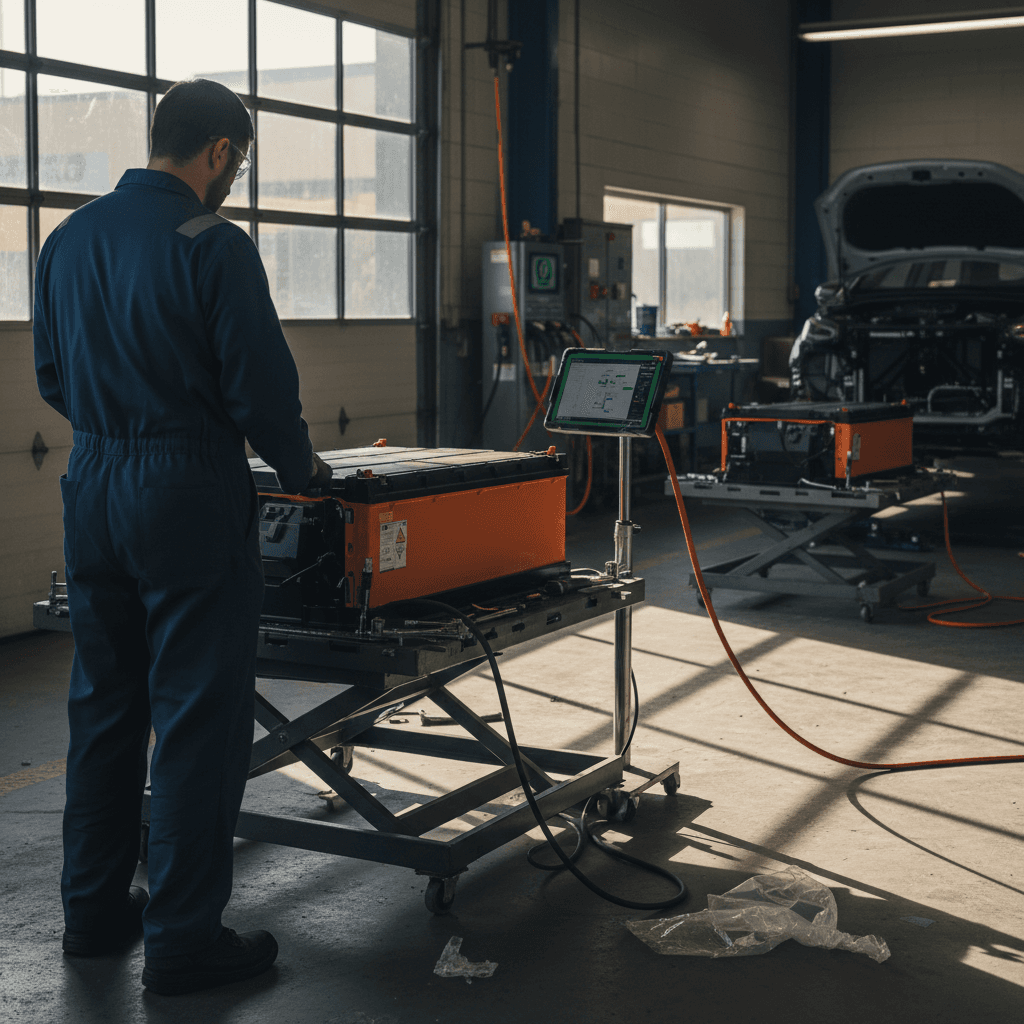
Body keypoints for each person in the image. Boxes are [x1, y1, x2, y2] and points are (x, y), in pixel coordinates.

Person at [34, 78, 333, 996]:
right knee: (199, 719)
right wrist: (301, 473)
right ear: (219, 153)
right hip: (187, 492)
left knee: (106, 705)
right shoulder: (215, 245)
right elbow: (259, 392)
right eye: (234, 164)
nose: (232, 180)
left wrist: (114, 431)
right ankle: (183, 940)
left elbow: (52, 374)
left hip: (94, 485)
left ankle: (93, 913)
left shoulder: (66, 239)